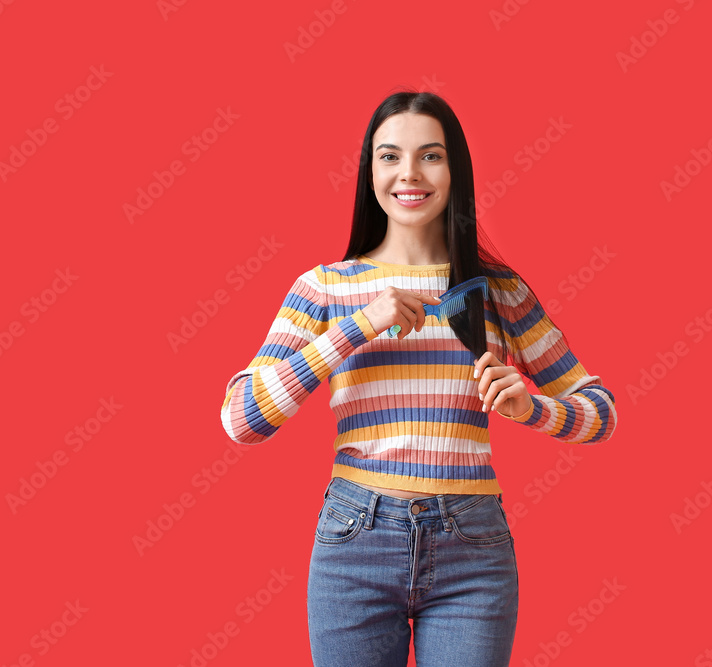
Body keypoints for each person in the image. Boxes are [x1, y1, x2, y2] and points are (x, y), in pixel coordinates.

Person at [219, 90, 618, 667]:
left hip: (472, 550)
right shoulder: (325, 288)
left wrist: (531, 407)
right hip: (355, 543)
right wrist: (357, 327)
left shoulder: (499, 293)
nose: (409, 174)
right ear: (370, 171)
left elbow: (600, 413)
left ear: (455, 169)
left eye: (430, 156)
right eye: (389, 157)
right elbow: (241, 420)